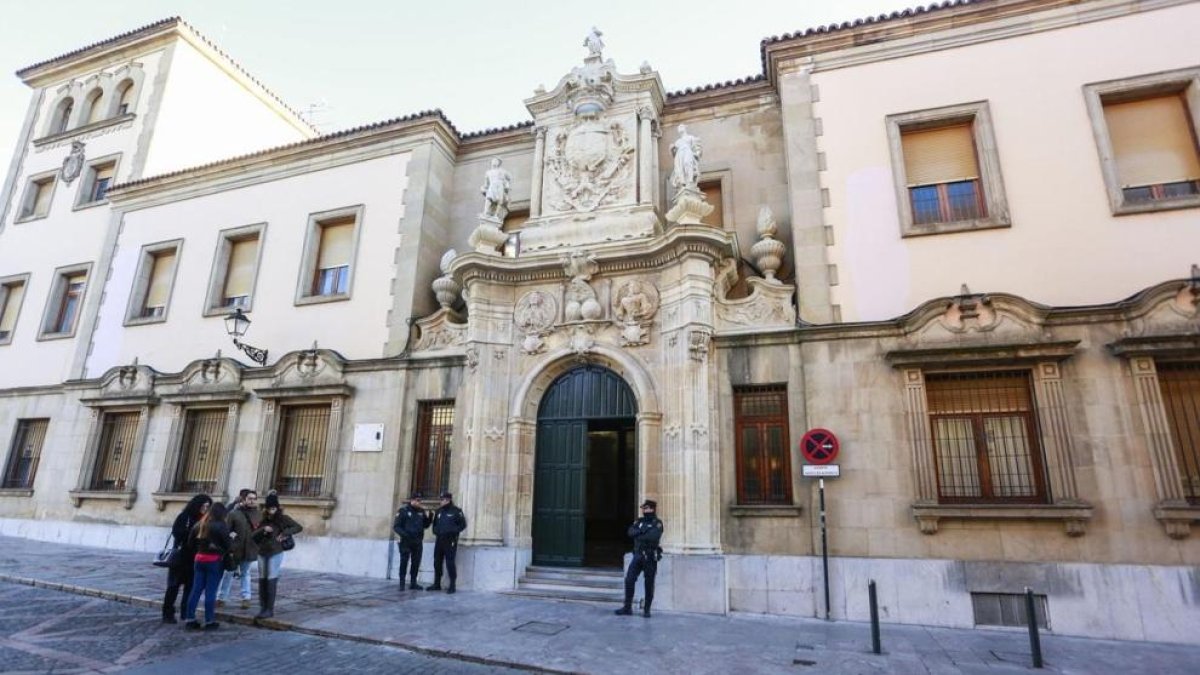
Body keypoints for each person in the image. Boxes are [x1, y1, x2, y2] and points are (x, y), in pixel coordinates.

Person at [251, 493, 303, 621]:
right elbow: (253, 535)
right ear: (266, 508)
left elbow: (298, 527)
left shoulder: (283, 518)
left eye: (274, 508)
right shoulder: (261, 519)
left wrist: (285, 533)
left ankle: (269, 609)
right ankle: (263, 607)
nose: (271, 510)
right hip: (262, 551)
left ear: (277, 507)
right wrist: (264, 530)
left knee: (271, 579)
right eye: (269, 508)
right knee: (262, 579)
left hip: (276, 551)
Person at [162, 494, 211, 623]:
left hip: (195, 558)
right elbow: (177, 533)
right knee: (173, 586)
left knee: (190, 588)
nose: (205, 508)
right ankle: (168, 613)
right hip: (181, 557)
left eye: (208, 506)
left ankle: (186, 612)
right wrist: (193, 533)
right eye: (204, 506)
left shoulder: (206, 520)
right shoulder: (185, 517)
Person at [183, 502, 231, 630]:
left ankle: (190, 619)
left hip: (199, 559)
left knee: (196, 589)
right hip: (214, 561)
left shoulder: (199, 524)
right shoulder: (221, 526)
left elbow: (190, 543)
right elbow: (229, 546)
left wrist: (200, 551)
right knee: (211, 591)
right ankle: (209, 621)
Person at [614, 499, 664, 618]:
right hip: (637, 556)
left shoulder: (657, 523)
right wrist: (642, 531)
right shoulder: (639, 521)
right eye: (643, 509)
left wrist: (639, 534)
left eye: (646, 509)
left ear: (652, 509)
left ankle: (647, 610)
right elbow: (630, 532)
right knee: (629, 579)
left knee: (649, 583)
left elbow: (653, 537)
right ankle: (627, 607)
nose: (644, 511)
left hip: (650, 556)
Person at [217, 489, 260, 609]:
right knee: (229, 573)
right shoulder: (234, 513)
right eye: (250, 498)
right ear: (244, 499)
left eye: (254, 499)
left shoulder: (258, 514)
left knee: (246, 574)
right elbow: (227, 530)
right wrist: (233, 537)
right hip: (234, 549)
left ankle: (246, 598)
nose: (252, 501)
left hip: (250, 549)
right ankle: (221, 598)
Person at [430, 491, 467, 593]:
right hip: (439, 540)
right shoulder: (439, 511)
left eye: (442, 499)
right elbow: (435, 525)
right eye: (440, 499)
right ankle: (437, 583)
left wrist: (452, 531)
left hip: (450, 541)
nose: (441, 501)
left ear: (448, 500)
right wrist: (436, 531)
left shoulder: (456, 511)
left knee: (450, 562)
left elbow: (463, 525)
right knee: (437, 562)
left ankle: (452, 585)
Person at [393, 493, 431, 590]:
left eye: (420, 501)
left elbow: (425, 525)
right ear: (412, 500)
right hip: (406, 541)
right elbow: (396, 527)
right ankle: (402, 583)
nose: (419, 502)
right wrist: (405, 535)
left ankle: (413, 583)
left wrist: (430, 518)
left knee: (416, 562)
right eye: (417, 500)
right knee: (404, 562)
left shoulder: (421, 511)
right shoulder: (403, 511)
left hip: (417, 541)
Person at [669, 125, 702, 193]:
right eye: (678, 128)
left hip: (688, 152)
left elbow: (697, 148)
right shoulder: (677, 141)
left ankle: (690, 181)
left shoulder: (690, 137)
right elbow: (674, 154)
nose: (679, 129)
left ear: (685, 128)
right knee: (680, 169)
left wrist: (696, 154)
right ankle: (683, 182)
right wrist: (672, 149)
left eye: (681, 127)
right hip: (679, 155)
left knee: (688, 164)